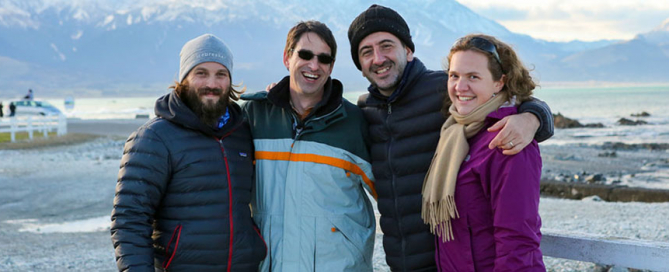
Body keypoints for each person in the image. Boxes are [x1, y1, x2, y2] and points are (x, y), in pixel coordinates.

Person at [347, 5, 554, 271]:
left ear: (408, 51)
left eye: (386, 46)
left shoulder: (444, 90)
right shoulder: (364, 111)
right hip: (404, 263)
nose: (378, 58)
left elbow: (507, 96)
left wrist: (532, 117)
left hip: (448, 261)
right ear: (360, 64)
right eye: (366, 52)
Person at [110, 34, 266, 272]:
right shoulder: (154, 138)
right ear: (184, 78)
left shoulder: (242, 133)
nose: (211, 84)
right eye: (201, 73)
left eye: (221, 74)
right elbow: (129, 220)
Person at [242, 21, 376, 271]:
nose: (314, 66)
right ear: (287, 57)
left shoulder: (354, 123)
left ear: (331, 66)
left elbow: (395, 198)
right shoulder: (254, 117)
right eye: (305, 55)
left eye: (323, 59)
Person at [423, 34, 544, 270]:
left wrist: (534, 117)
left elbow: (517, 239)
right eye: (454, 76)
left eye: (473, 77)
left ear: (499, 82)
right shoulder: (455, 132)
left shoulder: (508, 139)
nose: (460, 87)